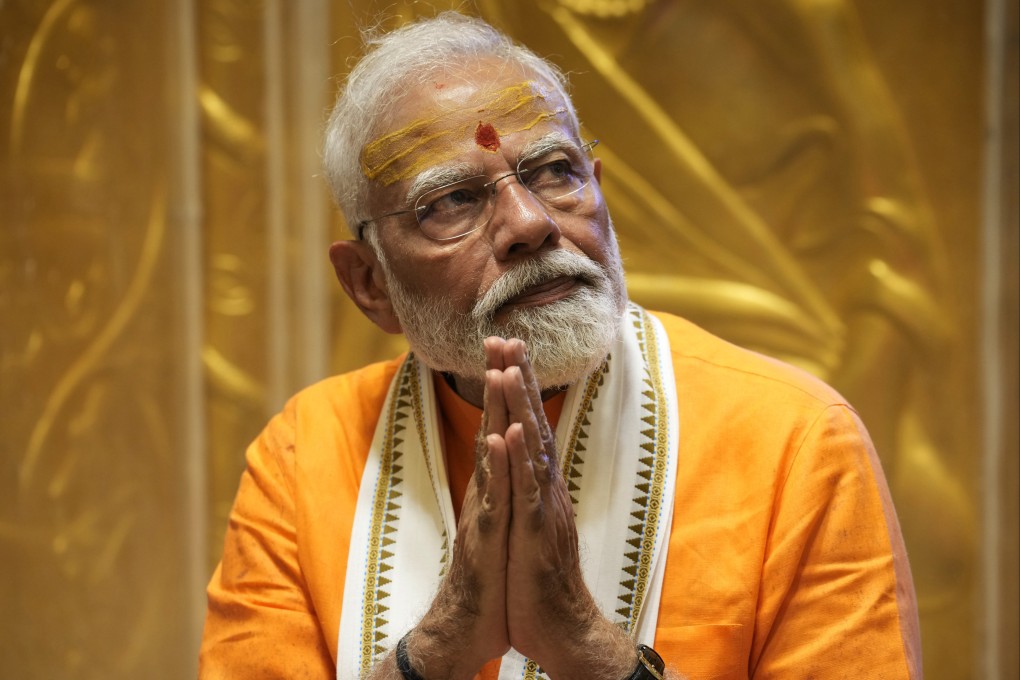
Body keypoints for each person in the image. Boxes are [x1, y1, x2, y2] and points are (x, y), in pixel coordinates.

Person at [199, 12, 921, 680]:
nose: (529, 221)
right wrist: (444, 644)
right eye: (451, 200)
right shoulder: (302, 459)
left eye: (555, 172)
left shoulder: (796, 442)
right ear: (369, 285)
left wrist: (584, 645)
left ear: (599, 191)